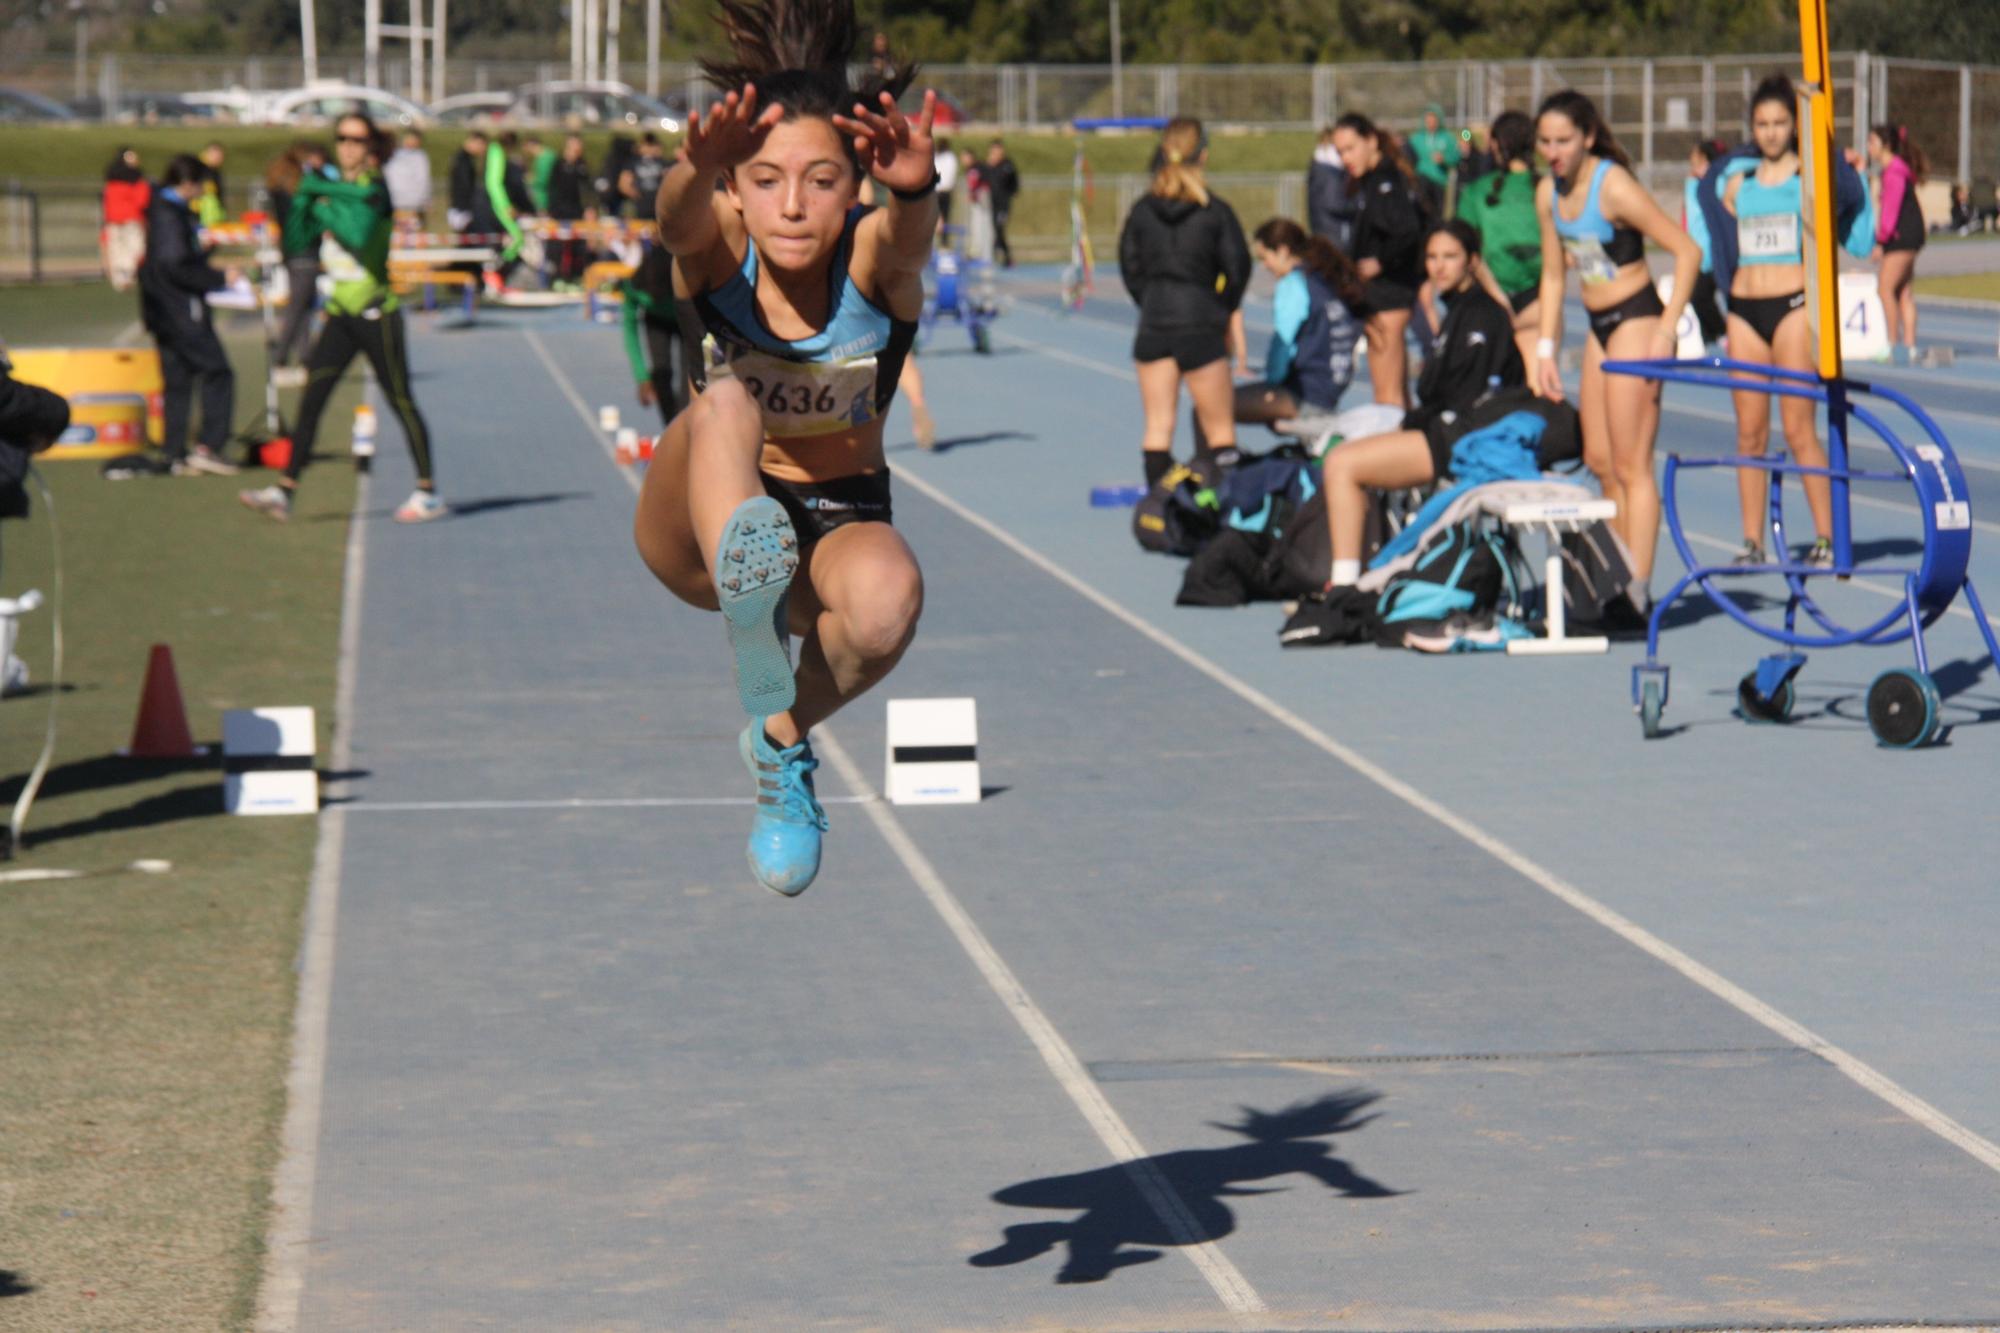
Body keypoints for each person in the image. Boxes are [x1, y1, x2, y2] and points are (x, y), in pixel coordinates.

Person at [632, 7, 939, 897]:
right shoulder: (719, 247)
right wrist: (692, 163)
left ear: (854, 187)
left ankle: (777, 737)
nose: (793, 204)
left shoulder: (874, 258)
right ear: (733, 186)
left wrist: (916, 191)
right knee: (727, 400)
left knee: (888, 602)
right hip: (699, 520)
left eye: (819, 179)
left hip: (837, 515)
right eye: (765, 180)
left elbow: (908, 239)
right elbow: (673, 221)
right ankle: (746, 578)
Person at [1533, 89, 1701, 592]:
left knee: (1632, 464)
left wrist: (1667, 329)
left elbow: (1686, 251)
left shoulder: (1614, 187)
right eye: (1544, 141)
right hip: (1598, 328)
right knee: (1601, 461)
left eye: (1563, 140)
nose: (1553, 151)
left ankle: (1638, 586)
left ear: (1587, 137)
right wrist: (1545, 348)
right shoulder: (1549, 194)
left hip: (1636, 319)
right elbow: (1552, 277)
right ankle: (1614, 573)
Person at [240, 113, 442, 525]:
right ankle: (285, 490)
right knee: (313, 398)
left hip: (375, 313)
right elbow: (299, 235)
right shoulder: (335, 188)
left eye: (357, 139)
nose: (348, 146)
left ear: (370, 146)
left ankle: (427, 490)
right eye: (341, 138)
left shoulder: (376, 188)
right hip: (340, 313)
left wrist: (322, 202)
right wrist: (300, 201)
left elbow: (360, 234)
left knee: (400, 400)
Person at [1320, 220, 1526, 589]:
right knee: (1344, 443)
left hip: (1463, 441)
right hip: (1444, 431)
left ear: (1472, 262)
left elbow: (1465, 400)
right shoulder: (1455, 310)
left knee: (1342, 464)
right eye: (1432, 257)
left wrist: (1414, 423)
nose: (1439, 266)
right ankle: (1366, 571)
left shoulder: (1482, 314)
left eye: (1450, 257)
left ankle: (1344, 586)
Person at [1715, 75, 1837, 569]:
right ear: (1751, 127)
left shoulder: (1806, 177)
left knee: (1799, 428)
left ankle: (1827, 537)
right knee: (1749, 432)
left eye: (1780, 122)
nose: (1770, 132)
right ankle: (1752, 541)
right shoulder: (1736, 183)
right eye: (1761, 124)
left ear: (1793, 125)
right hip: (1745, 309)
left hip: (1791, 305)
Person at [1117, 116, 1253, 484]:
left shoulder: (1143, 211)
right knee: (1220, 430)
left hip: (1155, 324)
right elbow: (1238, 265)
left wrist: (1149, 299)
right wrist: (1221, 306)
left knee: (1158, 427)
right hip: (1199, 323)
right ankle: (1225, 515)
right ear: (1203, 156)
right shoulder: (1214, 211)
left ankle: (1160, 506)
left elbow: (1129, 264)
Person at [138, 154, 242, 477]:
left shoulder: (166, 211)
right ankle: (208, 446)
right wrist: (220, 278)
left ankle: (174, 450)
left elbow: (177, 258)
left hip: (163, 310)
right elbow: (175, 266)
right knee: (218, 371)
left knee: (178, 380)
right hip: (180, 310)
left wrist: (203, 249)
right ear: (187, 183)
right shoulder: (169, 214)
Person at [1333, 112, 1427, 409]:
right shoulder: (1372, 181)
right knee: (1397, 394)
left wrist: (1380, 262)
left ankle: (1396, 452)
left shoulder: (1385, 182)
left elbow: (1408, 230)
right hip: (1382, 297)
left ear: (1371, 141)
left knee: (1387, 397)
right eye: (1340, 152)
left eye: (1350, 148)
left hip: (1389, 297)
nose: (1345, 158)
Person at [1236, 216, 1363, 430]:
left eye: (1264, 257)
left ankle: (1212, 461)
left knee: (1211, 409)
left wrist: (1272, 384)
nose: (1265, 266)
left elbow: (1283, 342)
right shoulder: (1324, 281)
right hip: (1331, 389)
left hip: (1307, 394)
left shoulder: (1292, 285)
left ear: (1283, 251)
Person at [1455, 110, 1544, 375]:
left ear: (1495, 144)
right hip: (1538, 298)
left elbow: (1465, 250)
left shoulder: (1477, 190)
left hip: (1491, 294)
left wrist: (1496, 295)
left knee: (1486, 388)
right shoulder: (1548, 187)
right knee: (1535, 386)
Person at [267, 143, 331, 374]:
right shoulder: (298, 194)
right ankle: (280, 355)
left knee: (304, 304)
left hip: (293, 250)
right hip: (303, 250)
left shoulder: (281, 188)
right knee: (298, 305)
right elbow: (311, 220)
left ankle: (305, 355)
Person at [1870, 122, 1927, 364]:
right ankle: (1910, 345)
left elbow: (1890, 211)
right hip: (1911, 234)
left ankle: (1893, 344)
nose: (1868, 147)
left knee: (1884, 289)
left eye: (1872, 142)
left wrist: (1881, 241)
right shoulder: (1898, 169)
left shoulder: (1893, 171)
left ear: (1886, 146)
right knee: (1903, 292)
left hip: (1901, 236)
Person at [622, 244, 684, 426]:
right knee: (661, 373)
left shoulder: (686, 285)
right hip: (656, 321)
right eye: (652, 296)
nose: (655, 298)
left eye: (659, 297)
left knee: (690, 382)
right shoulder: (634, 287)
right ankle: (671, 429)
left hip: (685, 319)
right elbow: (630, 333)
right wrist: (641, 376)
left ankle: (685, 428)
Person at [1682, 137, 1730, 350]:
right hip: (1697, 253)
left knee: (1716, 295)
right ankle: (1712, 338)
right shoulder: (1692, 184)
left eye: (1699, 162)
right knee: (1698, 297)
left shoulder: (1717, 184)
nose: (1694, 166)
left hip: (1714, 253)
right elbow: (1688, 217)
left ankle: (1723, 334)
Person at [547, 134, 596, 289]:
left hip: (576, 212)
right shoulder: (558, 165)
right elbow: (551, 189)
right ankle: (558, 278)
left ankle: (576, 277)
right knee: (558, 246)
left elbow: (588, 190)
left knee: (578, 246)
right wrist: (549, 211)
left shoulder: (582, 166)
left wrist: (590, 208)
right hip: (559, 212)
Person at [100, 146, 149, 292]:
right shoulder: (136, 181)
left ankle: (123, 278)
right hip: (130, 220)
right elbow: (142, 201)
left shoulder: (112, 182)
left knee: (121, 250)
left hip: (116, 220)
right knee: (133, 249)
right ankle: (125, 277)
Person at [1306, 125, 1356, 253]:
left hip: (1328, 232)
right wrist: (1359, 204)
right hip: (1334, 235)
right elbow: (1335, 203)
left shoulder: (1320, 169)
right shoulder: (1329, 172)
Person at [1410, 104, 1460, 217]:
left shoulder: (1447, 137)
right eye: (1428, 120)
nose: (1431, 123)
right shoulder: (1416, 139)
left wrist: (1444, 159)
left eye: (1434, 120)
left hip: (1440, 181)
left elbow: (1456, 156)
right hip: (1422, 180)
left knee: (1438, 213)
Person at [383, 129, 432, 229]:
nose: (410, 142)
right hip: (395, 206)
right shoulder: (393, 155)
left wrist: (426, 200)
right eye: (409, 138)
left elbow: (424, 181)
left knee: (413, 239)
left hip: (414, 208)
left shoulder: (420, 157)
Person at [984, 138, 1018, 267]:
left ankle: (997, 249)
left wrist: (1014, 190)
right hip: (994, 201)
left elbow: (1013, 179)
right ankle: (1005, 255)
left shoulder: (1007, 164)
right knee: (996, 228)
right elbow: (985, 178)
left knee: (999, 226)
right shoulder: (990, 166)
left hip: (1004, 202)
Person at [620, 133, 670, 217]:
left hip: (658, 203)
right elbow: (624, 183)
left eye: (652, 145)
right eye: (647, 145)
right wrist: (637, 197)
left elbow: (668, 180)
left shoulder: (662, 162)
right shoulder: (633, 162)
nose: (649, 148)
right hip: (639, 205)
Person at [447, 130, 486, 233]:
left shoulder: (464, 159)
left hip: (461, 206)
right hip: (463, 208)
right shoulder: (463, 161)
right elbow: (465, 185)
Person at [195, 141, 228, 226]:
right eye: (218, 156)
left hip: (214, 217)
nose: (221, 159)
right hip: (204, 218)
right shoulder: (200, 169)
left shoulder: (213, 170)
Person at [524, 133, 557, 215]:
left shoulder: (544, 158)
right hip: (543, 199)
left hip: (543, 201)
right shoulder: (542, 157)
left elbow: (543, 180)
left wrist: (529, 179)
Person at [933, 135, 959, 232]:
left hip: (936, 190)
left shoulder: (938, 156)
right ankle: (944, 240)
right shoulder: (950, 157)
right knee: (945, 215)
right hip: (945, 190)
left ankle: (940, 238)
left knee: (938, 215)